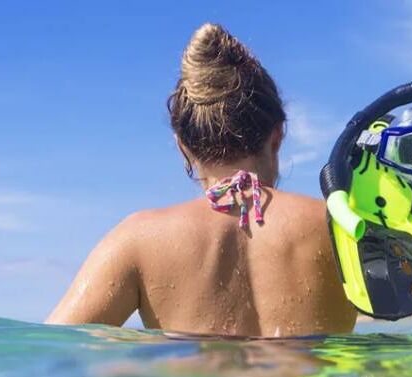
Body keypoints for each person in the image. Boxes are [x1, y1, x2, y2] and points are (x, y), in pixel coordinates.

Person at [47, 23, 356, 337]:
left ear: (184, 144)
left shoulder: (137, 240)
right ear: (277, 136)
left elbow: (48, 351)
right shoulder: (342, 225)